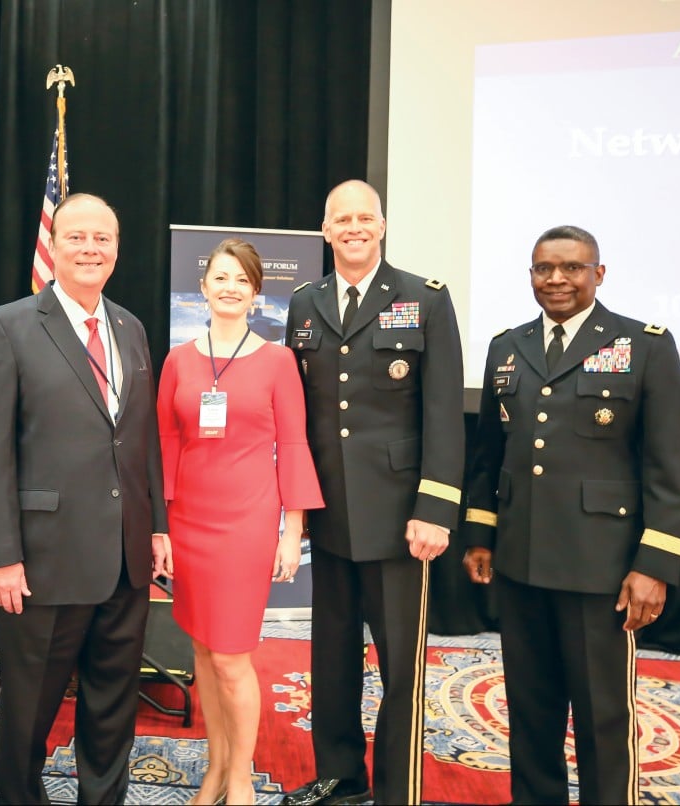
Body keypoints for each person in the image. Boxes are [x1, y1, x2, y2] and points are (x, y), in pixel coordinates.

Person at [461, 224, 680, 805]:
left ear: (599, 274)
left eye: (572, 268)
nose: (557, 279)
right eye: (544, 268)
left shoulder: (642, 345)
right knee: (530, 709)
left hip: (601, 569)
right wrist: (482, 534)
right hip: (521, 562)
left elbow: (672, 465)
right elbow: (489, 454)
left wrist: (654, 565)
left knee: (602, 715)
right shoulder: (507, 347)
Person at [0, 192, 171, 805]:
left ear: (117, 250)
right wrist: (1, 555)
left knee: (112, 709)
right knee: (28, 712)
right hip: (43, 561)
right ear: (52, 245)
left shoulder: (131, 327)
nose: (90, 248)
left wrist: (157, 526)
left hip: (126, 559)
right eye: (76, 236)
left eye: (102, 238)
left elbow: (142, 440)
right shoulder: (8, 326)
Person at [281, 180, 465, 806]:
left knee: (400, 665)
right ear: (325, 230)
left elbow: (443, 413)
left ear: (382, 226)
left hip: (399, 518)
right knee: (331, 655)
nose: (354, 228)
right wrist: (297, 506)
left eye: (365, 217)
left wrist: (434, 509)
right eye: (342, 219)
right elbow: (302, 414)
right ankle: (339, 775)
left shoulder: (424, 298)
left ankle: (396, 787)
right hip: (330, 510)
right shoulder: (305, 303)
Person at [157, 238, 324, 806]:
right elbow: (165, 442)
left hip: (247, 524)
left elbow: (294, 445)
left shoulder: (278, 361)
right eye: (221, 277)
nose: (230, 288)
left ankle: (241, 778)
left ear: (256, 294)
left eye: (242, 280)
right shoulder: (178, 360)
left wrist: (292, 530)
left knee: (231, 655)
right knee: (203, 652)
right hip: (188, 522)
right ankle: (215, 767)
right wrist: (160, 526)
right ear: (203, 287)